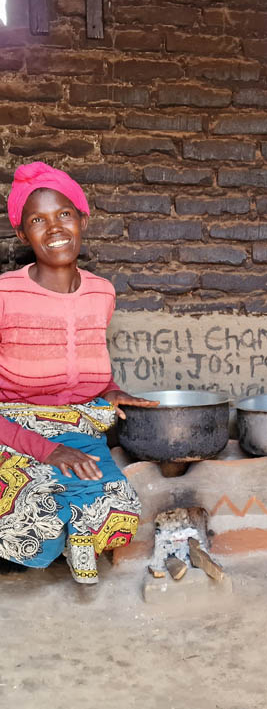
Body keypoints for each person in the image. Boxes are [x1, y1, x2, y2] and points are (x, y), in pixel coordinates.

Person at [0, 161, 157, 583]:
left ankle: (73, 525)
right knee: (33, 529)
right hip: (11, 428)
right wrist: (45, 451)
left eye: (64, 214)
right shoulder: (4, 294)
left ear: (82, 220)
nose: (55, 228)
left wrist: (111, 389)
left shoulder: (101, 292)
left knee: (120, 515)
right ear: (22, 234)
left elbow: (86, 363)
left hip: (76, 426)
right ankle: (58, 531)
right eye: (38, 220)